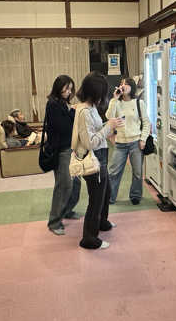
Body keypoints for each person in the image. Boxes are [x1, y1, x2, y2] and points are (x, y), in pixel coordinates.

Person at [74, 72, 123, 250]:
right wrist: (108, 127)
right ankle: (89, 238)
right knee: (96, 199)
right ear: (95, 92)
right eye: (103, 92)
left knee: (105, 192)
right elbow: (90, 142)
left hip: (101, 157)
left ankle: (102, 222)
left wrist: (109, 125)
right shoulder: (85, 111)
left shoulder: (92, 106)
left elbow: (96, 130)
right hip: (93, 158)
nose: (104, 96)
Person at [44, 75, 81, 236]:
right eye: (66, 88)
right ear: (58, 88)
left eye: (71, 89)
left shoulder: (64, 103)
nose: (69, 91)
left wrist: (72, 111)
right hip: (61, 151)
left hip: (71, 149)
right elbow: (64, 127)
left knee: (76, 183)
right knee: (64, 185)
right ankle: (54, 221)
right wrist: (73, 113)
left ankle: (67, 210)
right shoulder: (53, 104)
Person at [105, 77, 150, 205]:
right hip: (120, 143)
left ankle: (135, 195)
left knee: (137, 172)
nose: (123, 86)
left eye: (126, 84)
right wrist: (114, 99)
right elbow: (109, 117)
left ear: (132, 87)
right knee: (114, 172)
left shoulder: (139, 103)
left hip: (136, 142)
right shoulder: (116, 103)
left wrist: (143, 139)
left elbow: (146, 123)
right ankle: (110, 197)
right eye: (122, 84)